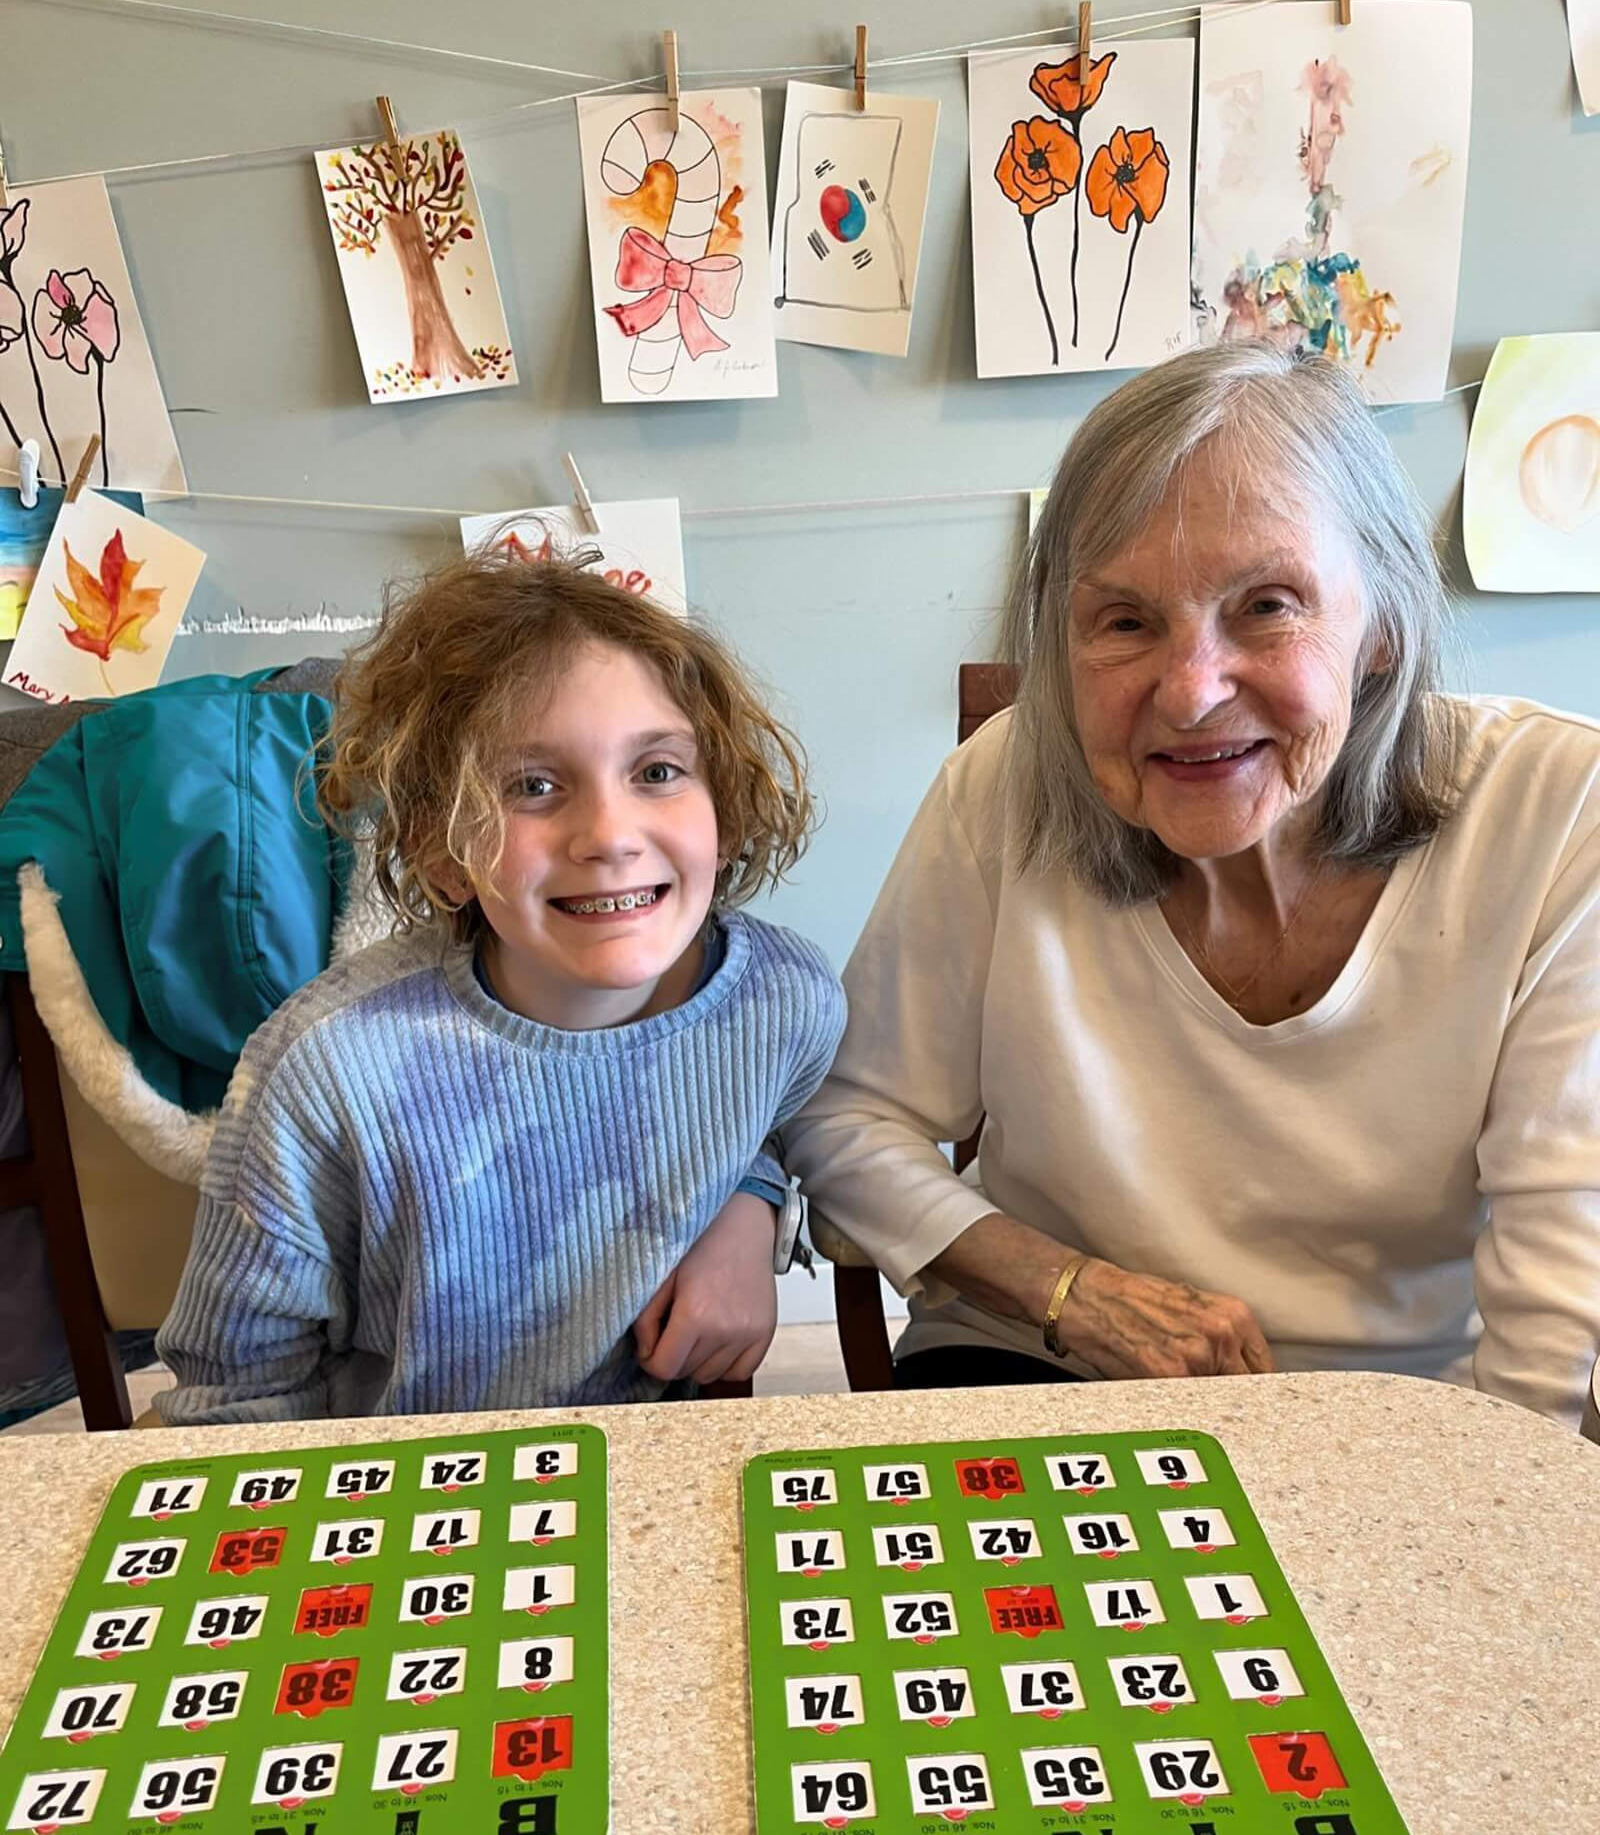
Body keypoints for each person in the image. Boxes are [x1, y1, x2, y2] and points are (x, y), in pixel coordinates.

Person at [785, 342, 1600, 1427]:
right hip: (1039, 1364)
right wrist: (1069, 1291)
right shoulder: (1001, 784)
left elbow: (1558, 1287)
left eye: (1266, 604)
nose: (1191, 690)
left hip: (1400, 1412)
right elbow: (849, 1121)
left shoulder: (1556, 813)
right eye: (1123, 621)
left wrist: (1486, 1523)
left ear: (1383, 626)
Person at [155, 552, 844, 1422]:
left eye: (657, 771)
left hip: (646, 1480)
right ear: (444, 854)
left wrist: (751, 1203)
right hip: (397, 1499)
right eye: (534, 786)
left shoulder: (787, 1002)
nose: (610, 834)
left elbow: (764, 1118)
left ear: (724, 801)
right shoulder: (324, 1072)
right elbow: (235, 1401)